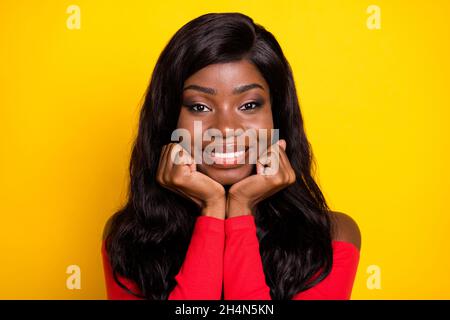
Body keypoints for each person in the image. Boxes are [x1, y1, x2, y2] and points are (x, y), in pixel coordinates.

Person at [102, 12, 361, 300]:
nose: (225, 129)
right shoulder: (130, 239)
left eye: (249, 104)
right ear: (169, 121)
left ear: (277, 117)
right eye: (200, 107)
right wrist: (212, 210)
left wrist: (240, 209)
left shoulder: (332, 238)